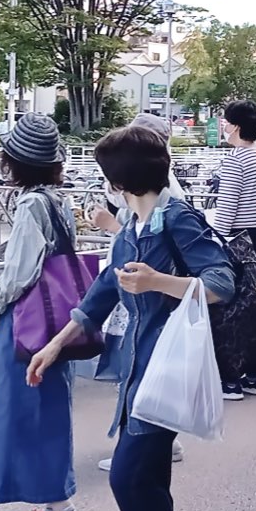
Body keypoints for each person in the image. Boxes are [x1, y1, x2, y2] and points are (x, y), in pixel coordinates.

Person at [28, 124, 234, 511]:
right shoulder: (133, 228)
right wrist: (55, 345)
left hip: (167, 368)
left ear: (119, 181)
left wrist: (156, 282)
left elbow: (221, 282)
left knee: (127, 477)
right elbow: (101, 293)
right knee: (148, 482)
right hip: (139, 371)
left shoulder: (177, 219)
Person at [0, 113, 94, 511]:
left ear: (14, 161)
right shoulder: (58, 200)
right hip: (54, 322)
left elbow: (20, 270)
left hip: (26, 326)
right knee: (45, 414)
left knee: (25, 418)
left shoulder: (29, 206)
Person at [94, 112, 185, 471]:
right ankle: (149, 443)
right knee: (139, 369)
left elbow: (149, 248)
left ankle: (142, 445)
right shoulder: (157, 195)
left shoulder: (168, 203)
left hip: (152, 308)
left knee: (139, 368)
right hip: (145, 302)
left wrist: (111, 226)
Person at [212, 99, 256, 399]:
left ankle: (230, 379)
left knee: (231, 308)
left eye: (226, 121)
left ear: (236, 126)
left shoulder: (236, 160)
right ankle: (254, 375)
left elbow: (225, 213)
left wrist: (211, 231)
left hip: (238, 240)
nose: (223, 126)